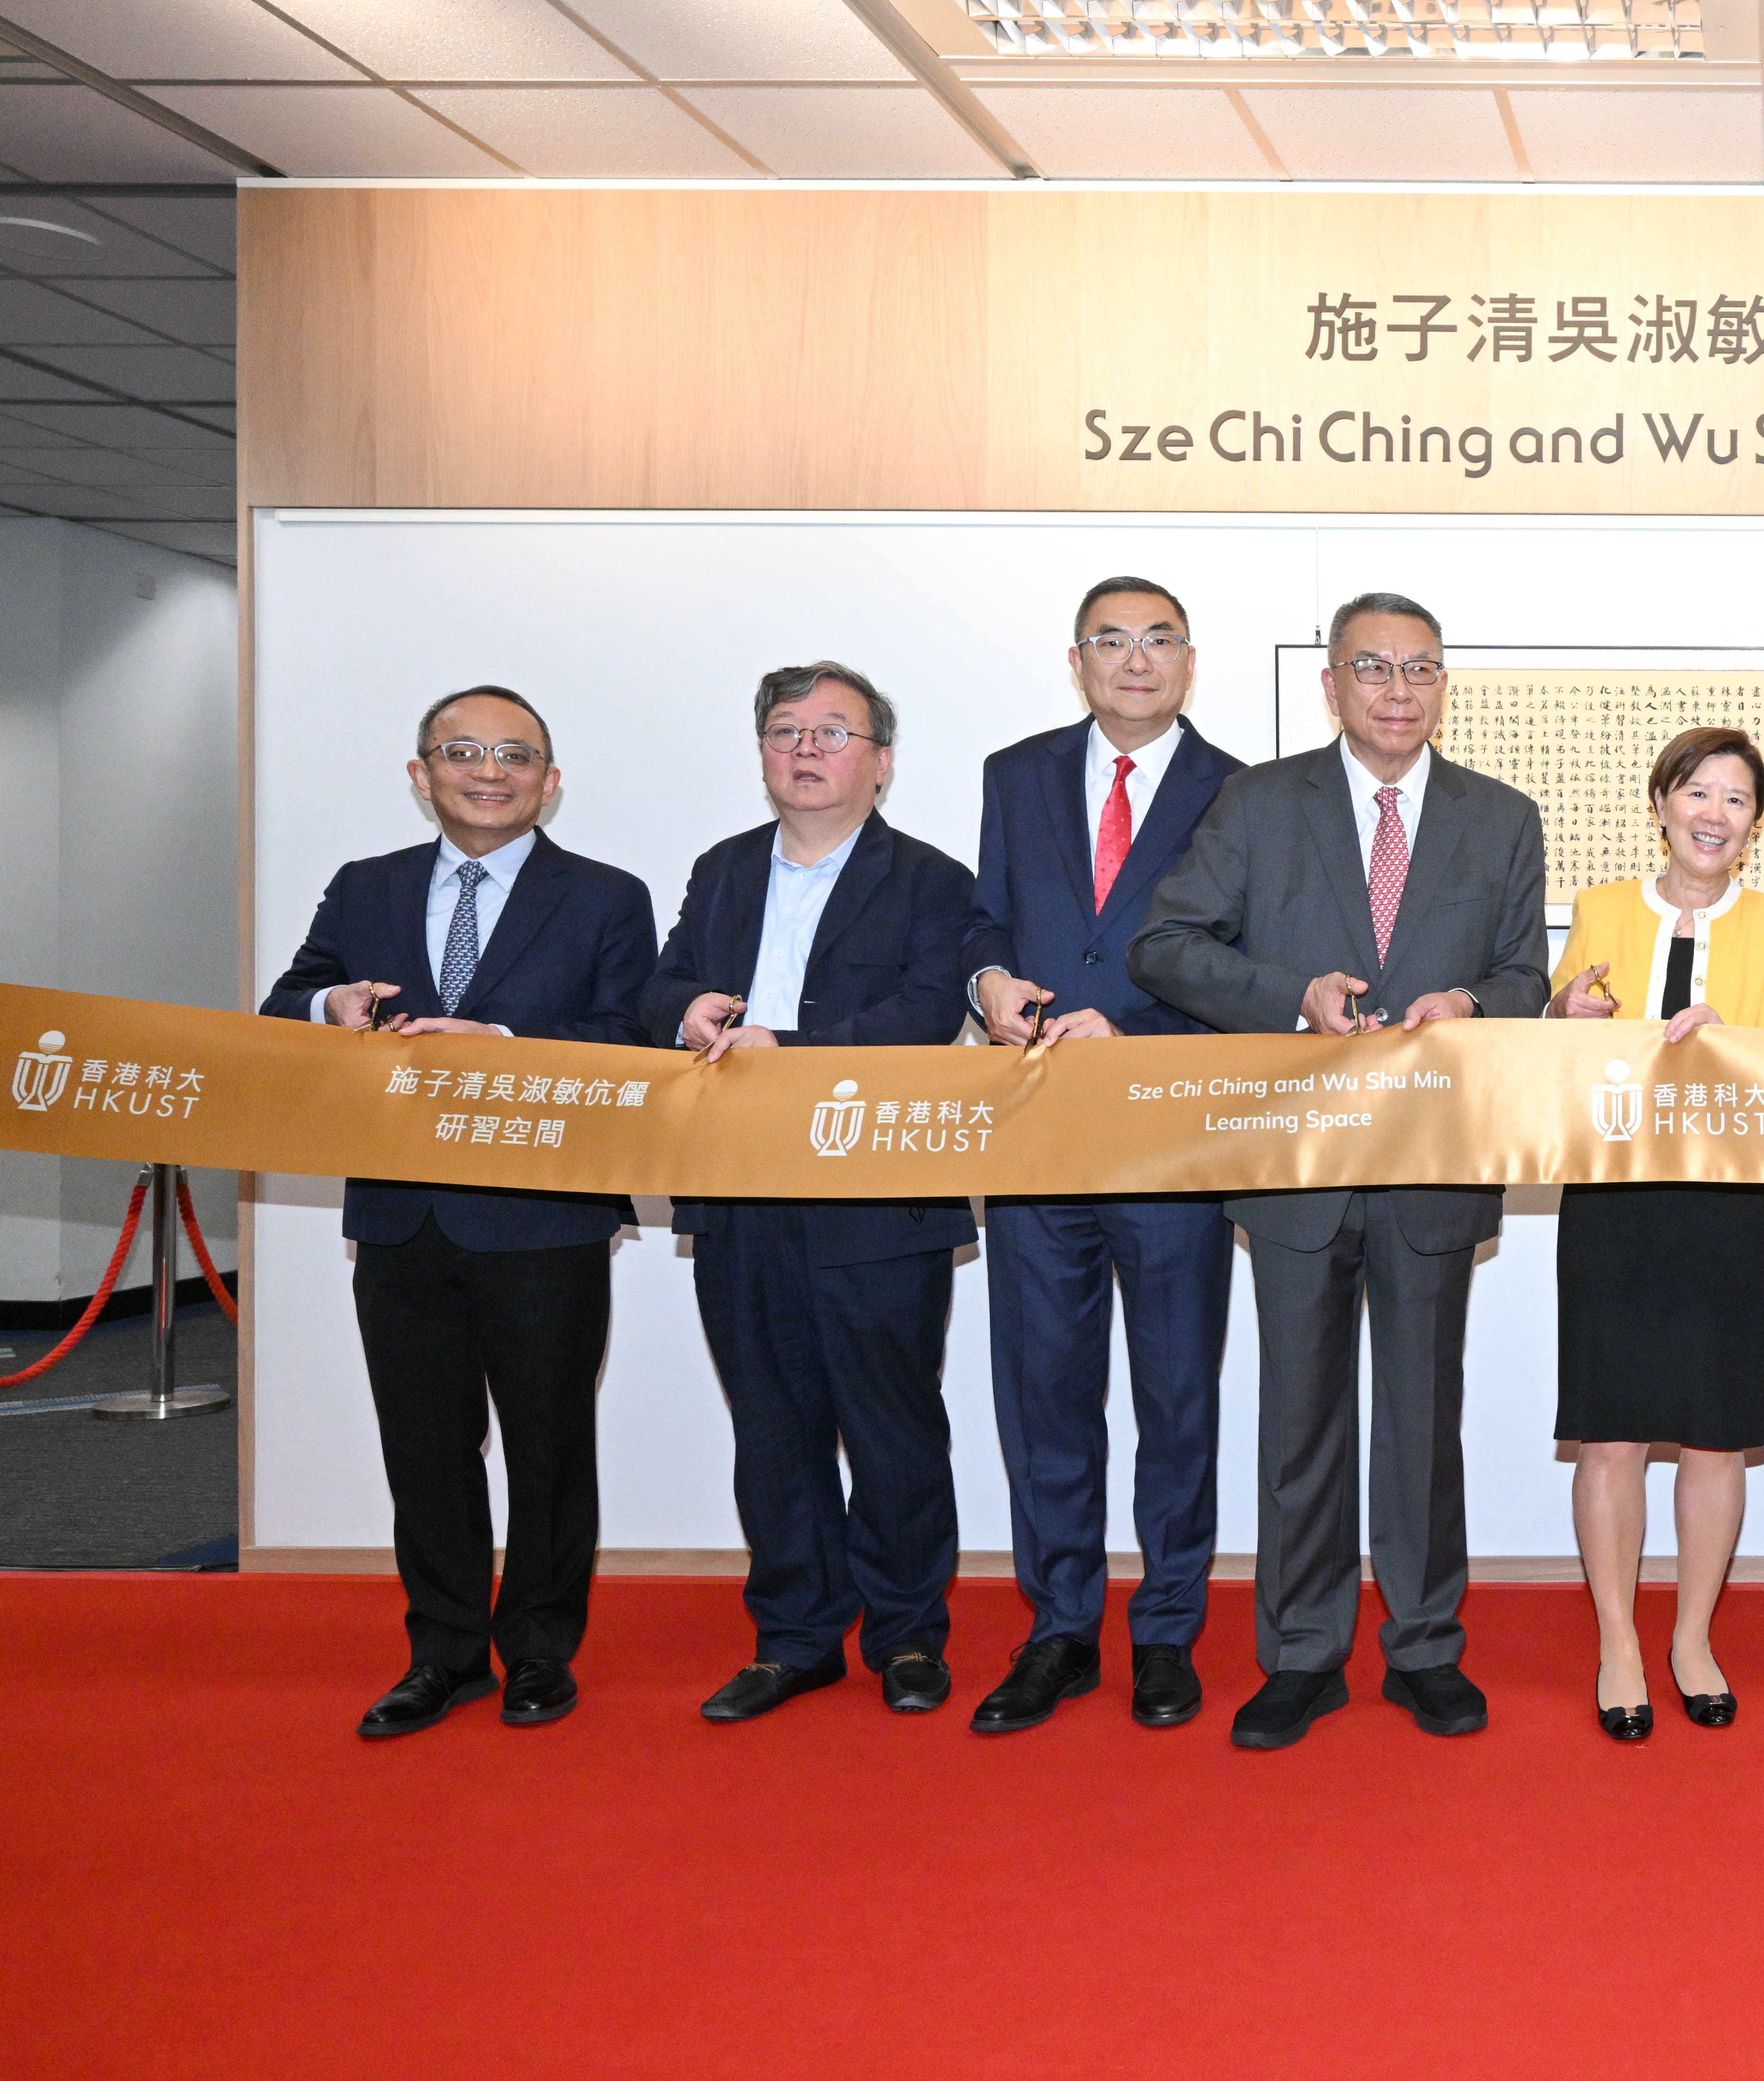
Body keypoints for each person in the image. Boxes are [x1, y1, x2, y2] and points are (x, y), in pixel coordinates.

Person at [1130, 592, 1548, 1751]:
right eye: (1374, 669)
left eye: (1420, 669)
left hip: (1429, 1165)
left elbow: (1528, 980)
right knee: (1300, 1421)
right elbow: (1165, 947)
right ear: (1332, 686)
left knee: (1424, 1420)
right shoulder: (1257, 805)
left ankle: (1424, 1648)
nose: (1398, 690)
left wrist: (1470, 1001)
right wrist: (1291, 995)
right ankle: (1303, 1654)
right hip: (1298, 1165)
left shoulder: (1499, 817)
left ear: (1442, 686)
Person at [259, 686, 656, 1739]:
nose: (491, 772)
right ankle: (441, 1652)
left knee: (547, 1445)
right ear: (421, 773)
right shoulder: (365, 887)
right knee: (424, 1448)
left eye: (516, 755)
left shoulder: (608, 896)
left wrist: (513, 1048)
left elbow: (633, 1041)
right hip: (401, 1219)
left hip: (545, 1219)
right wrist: (327, 1008)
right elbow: (285, 1005)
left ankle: (536, 1651)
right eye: (464, 752)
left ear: (551, 781)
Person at [643, 662, 981, 1725]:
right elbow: (661, 981)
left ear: (880, 763)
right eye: (786, 731)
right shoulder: (724, 868)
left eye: (833, 733)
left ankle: (908, 1636)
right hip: (741, 1190)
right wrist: (688, 1010)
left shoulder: (931, 880)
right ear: (762, 756)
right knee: (773, 1428)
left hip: (876, 1192)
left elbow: (929, 1014)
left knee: (893, 1428)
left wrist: (791, 1049)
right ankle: (795, 1637)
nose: (806, 749)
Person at [957, 577, 1244, 1734]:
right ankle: (1059, 1628)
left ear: (1189, 660)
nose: (1136, 661)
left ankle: (1168, 1629)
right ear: (1076, 661)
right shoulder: (1015, 773)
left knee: (1178, 1396)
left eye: (1158, 641)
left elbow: (1244, 962)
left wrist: (1134, 1030)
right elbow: (987, 916)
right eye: (1111, 643)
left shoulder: (1240, 789)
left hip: (1171, 1132)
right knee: (1046, 1395)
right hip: (1035, 1136)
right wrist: (986, 984)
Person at [1546, 728, 1764, 1740]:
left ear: (1753, 824)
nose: (1714, 814)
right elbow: (1551, 1036)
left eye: (1737, 800)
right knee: (1609, 1435)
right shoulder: (1603, 908)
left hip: (1724, 1196)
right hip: (1613, 1190)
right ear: (1660, 802)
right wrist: (1563, 1011)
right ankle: (1617, 1641)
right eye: (1698, 792)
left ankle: (1692, 1636)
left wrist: (1727, 1044)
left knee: (1714, 1434)